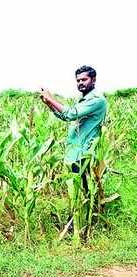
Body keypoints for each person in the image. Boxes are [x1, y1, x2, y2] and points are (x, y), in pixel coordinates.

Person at [39, 65, 108, 193]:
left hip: (86, 153)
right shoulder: (83, 100)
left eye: (84, 79)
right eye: (78, 80)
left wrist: (51, 98)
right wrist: (49, 104)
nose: (80, 83)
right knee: (79, 190)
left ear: (93, 80)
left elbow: (71, 113)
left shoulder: (96, 100)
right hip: (76, 153)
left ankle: (94, 212)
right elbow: (66, 116)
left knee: (88, 190)